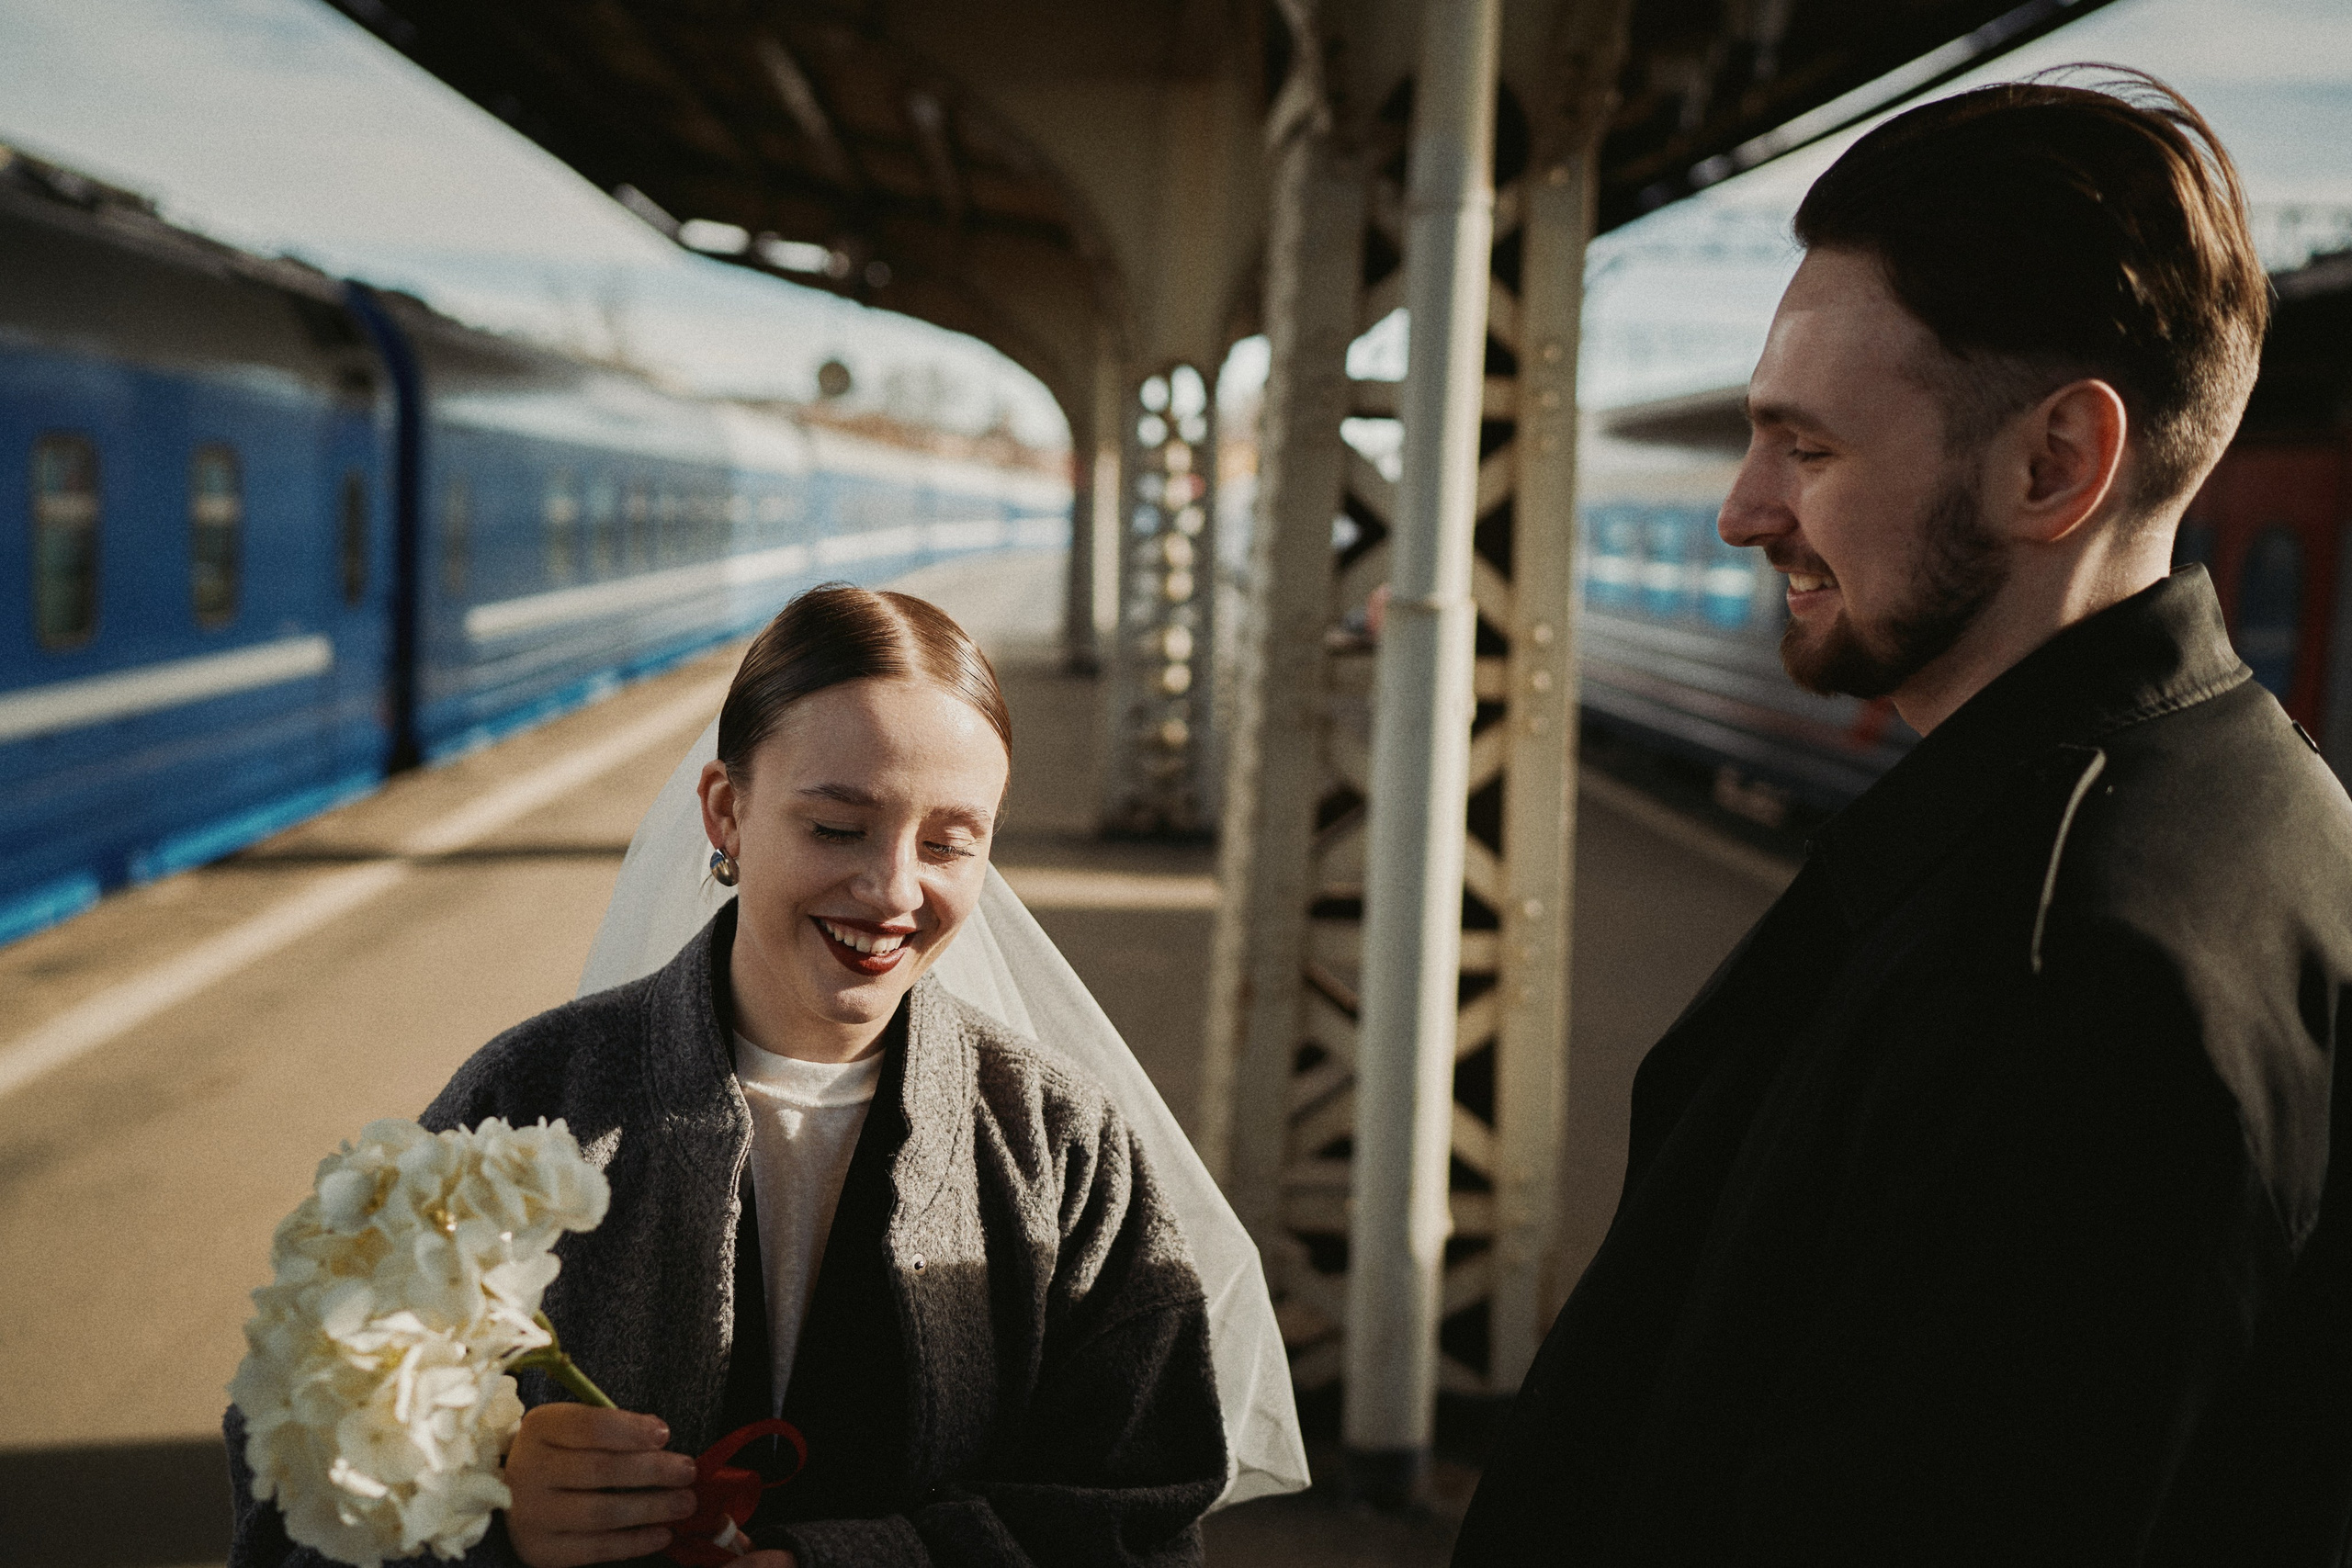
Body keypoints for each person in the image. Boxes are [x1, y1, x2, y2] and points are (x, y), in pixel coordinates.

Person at [1453, 72, 2352, 1566]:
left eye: (1805, 447)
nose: (1745, 509)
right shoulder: (2260, 811)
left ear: (2054, 462)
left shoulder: (2064, 976)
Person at [228, 584, 1303, 1568]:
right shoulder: (528, 1100)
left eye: (950, 843)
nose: (891, 890)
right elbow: (293, 1464)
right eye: (837, 826)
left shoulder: (1060, 1145)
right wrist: (483, 1508)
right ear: (726, 813)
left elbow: (1140, 1509)